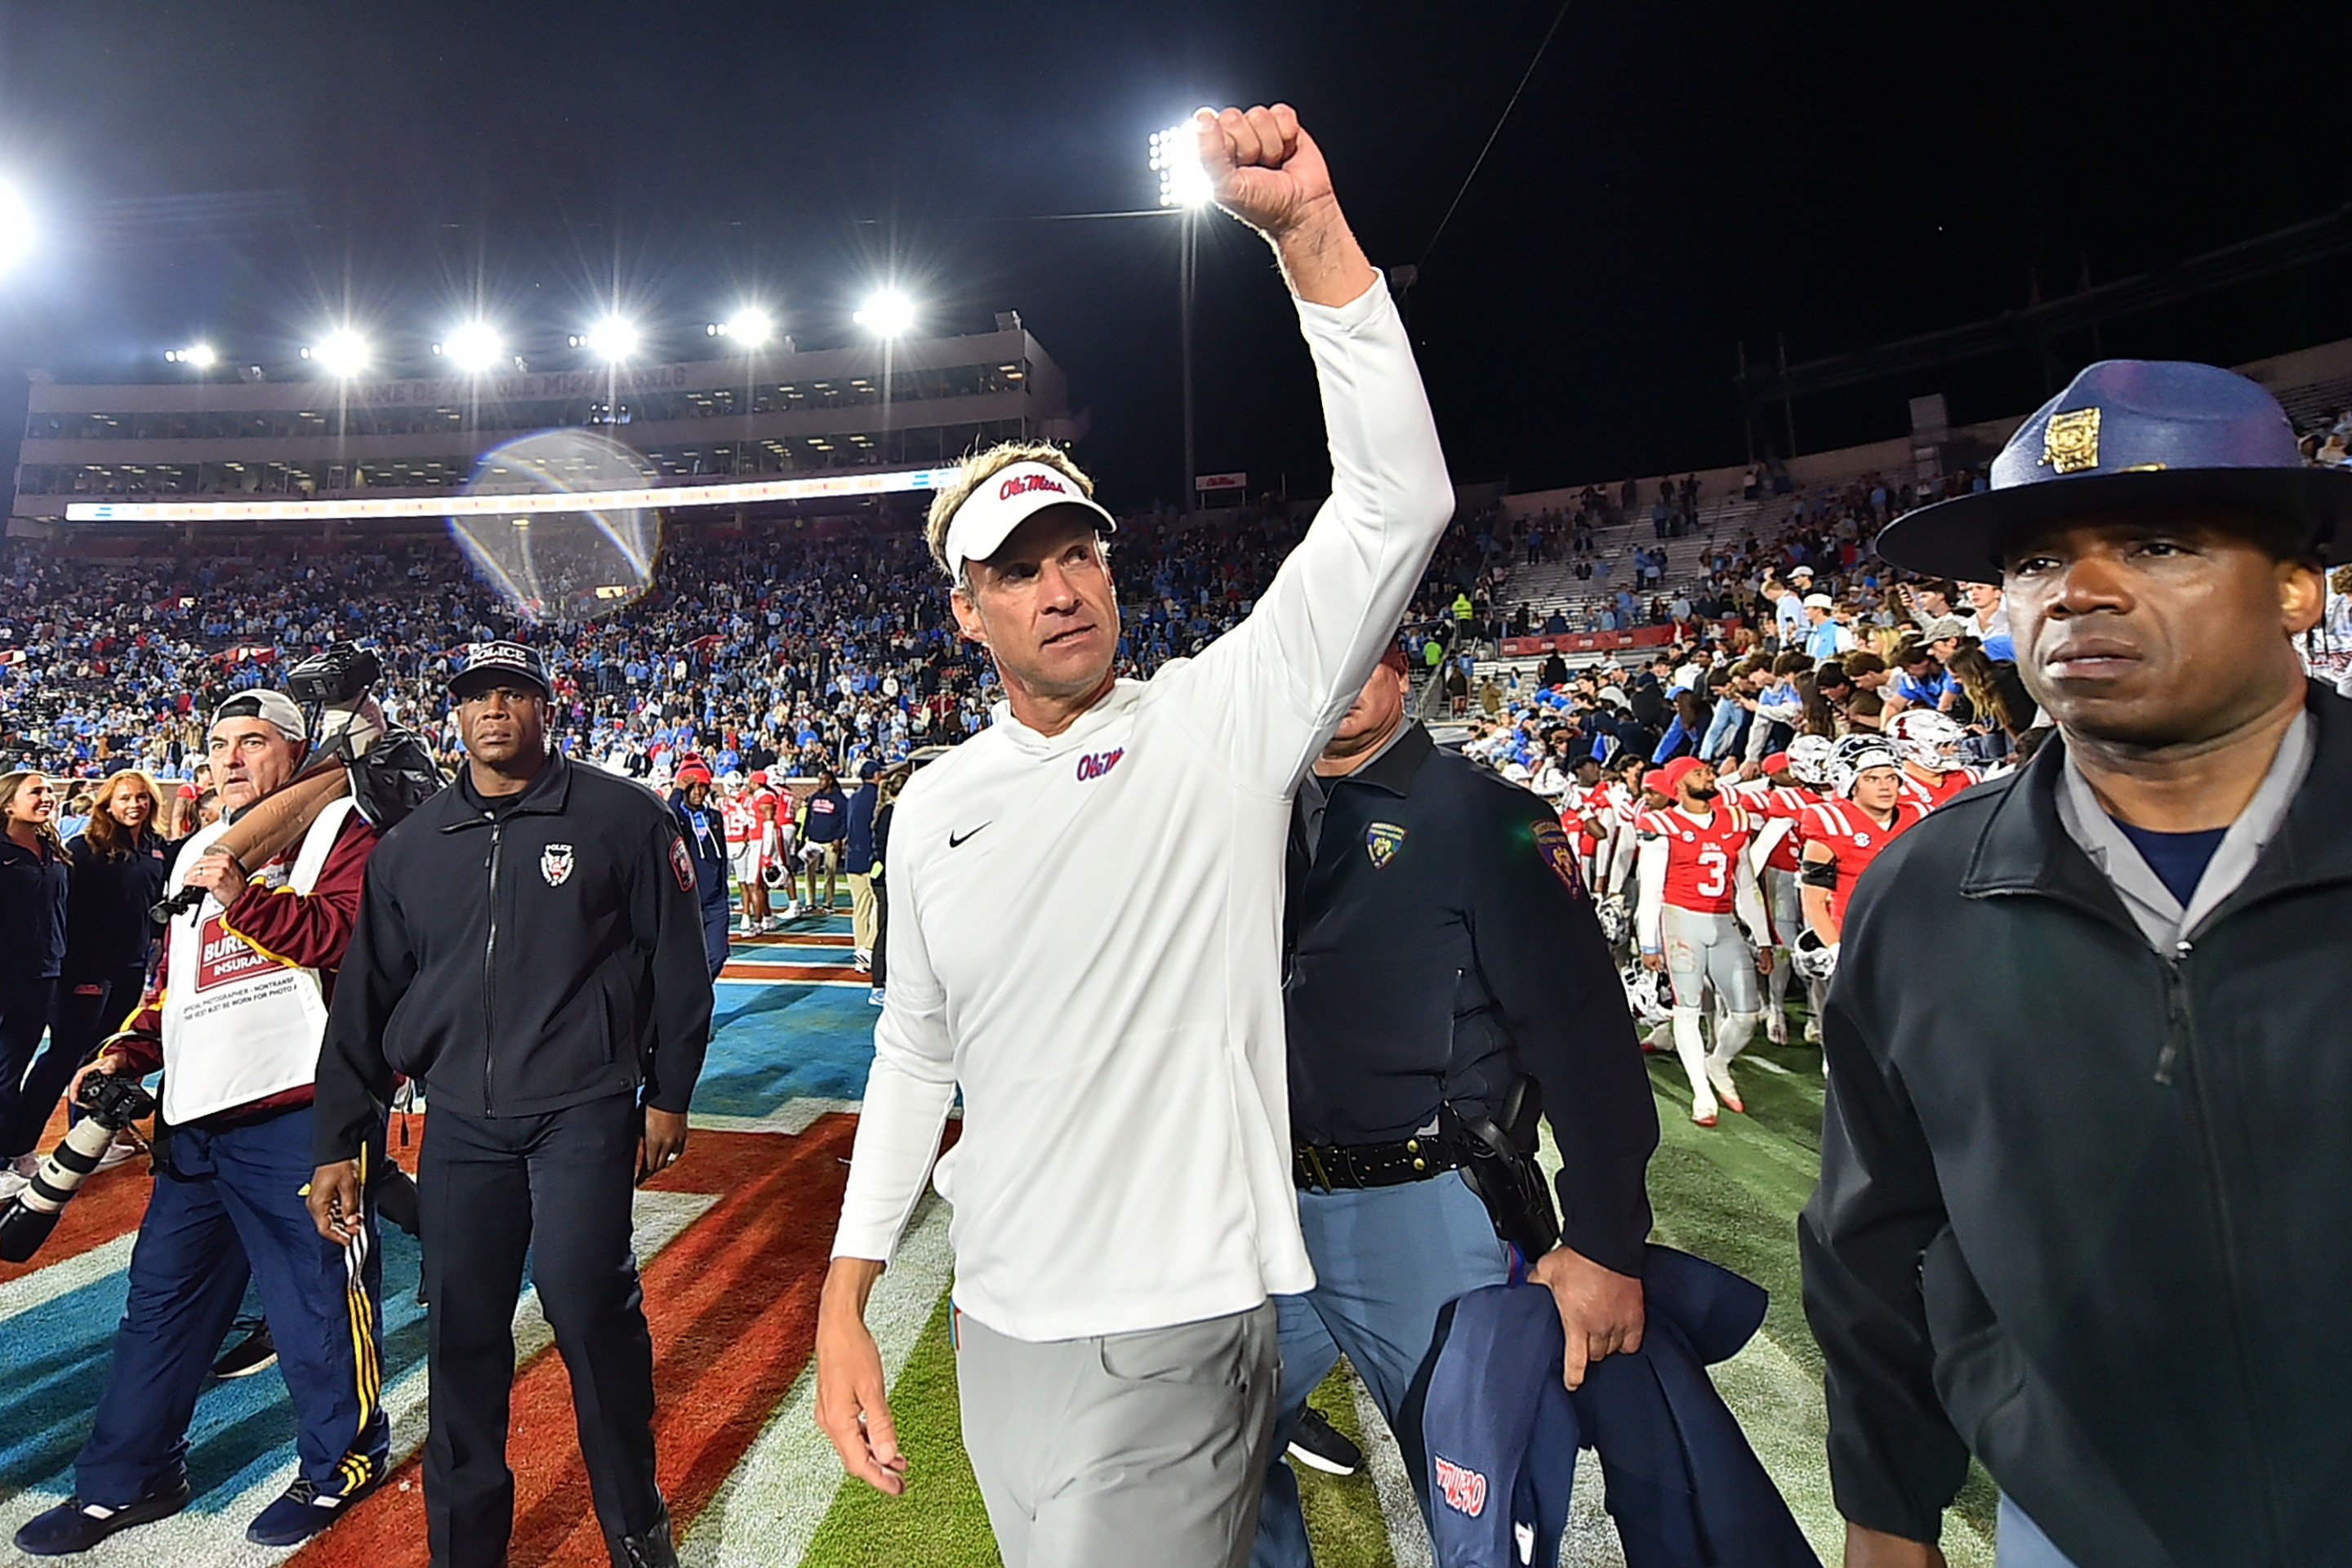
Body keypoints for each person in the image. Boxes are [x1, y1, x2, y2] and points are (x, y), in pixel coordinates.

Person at [815, 102, 1454, 1568]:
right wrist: (849, 1290)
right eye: (1017, 570)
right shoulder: (935, 806)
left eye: (1079, 551)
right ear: (966, 612)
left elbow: (1394, 505)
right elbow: (917, 1053)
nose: (1062, 588)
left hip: (1182, 1319)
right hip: (1001, 1320)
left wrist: (1308, 238)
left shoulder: (1214, 723)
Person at [1802, 359, 2352, 1567]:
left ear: (2300, 587)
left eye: (2157, 544)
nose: (2079, 592)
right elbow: (1875, 1237)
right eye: (2037, 562)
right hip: (2082, 1527)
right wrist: (1887, 1516)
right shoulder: (1923, 893)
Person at [309, 640, 714, 1568]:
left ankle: (636, 1528)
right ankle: (466, 1550)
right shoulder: (410, 849)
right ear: (454, 714)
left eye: (513, 693)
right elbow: (365, 1001)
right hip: (460, 1120)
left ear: (546, 708)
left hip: (583, 1109)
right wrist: (339, 1136)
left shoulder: (623, 817)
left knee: (588, 1309)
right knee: (462, 1334)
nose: (494, 710)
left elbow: (678, 967)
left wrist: (670, 1093)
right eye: (476, 696)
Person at [1255, 646, 1655, 1566]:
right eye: (1326, 648)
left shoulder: (1486, 817)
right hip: (1269, 1209)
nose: (1343, 676)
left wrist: (1605, 1239)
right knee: (1211, 1461)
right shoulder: (1258, 819)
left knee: (1476, 1502)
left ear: (1402, 670)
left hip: (1429, 1209)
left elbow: (1584, 1033)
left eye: (1368, 654)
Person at [12, 689, 388, 1554]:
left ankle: (343, 1464)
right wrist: (125, 1052)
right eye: (217, 743)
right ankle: (129, 1477)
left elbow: (353, 941)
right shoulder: (196, 857)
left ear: (297, 754)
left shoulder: (346, 836)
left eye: (252, 741)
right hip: (197, 1120)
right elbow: (175, 987)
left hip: (302, 1113)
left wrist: (242, 895)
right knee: (161, 1308)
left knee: (317, 1303)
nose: (228, 757)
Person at [6, 770, 168, 1179]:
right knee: (58, 1058)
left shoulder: (153, 849)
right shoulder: (82, 848)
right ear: (107, 805)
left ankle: (85, 1132)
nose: (135, 805)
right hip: (80, 969)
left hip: (121, 968)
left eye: (142, 798)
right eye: (125, 798)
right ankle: (18, 1146)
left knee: (102, 1055)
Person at [1633, 755, 1773, 1125]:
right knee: (1688, 1009)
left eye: (1709, 771)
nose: (1708, 775)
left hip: (1724, 920)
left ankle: (1718, 1062)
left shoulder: (1734, 820)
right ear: (1678, 785)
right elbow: (1651, 889)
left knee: (1745, 1015)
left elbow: (1746, 884)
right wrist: (1649, 942)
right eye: (1698, 772)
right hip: (1681, 920)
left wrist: (1763, 938)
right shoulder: (1662, 824)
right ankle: (1701, 1093)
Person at [0, 770, 70, 1199]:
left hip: (45, 972)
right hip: (6, 972)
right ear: (9, 804)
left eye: (49, 790)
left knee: (13, 1068)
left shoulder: (53, 848)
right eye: (36, 791)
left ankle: (13, 1149)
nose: (47, 796)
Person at [668, 759, 733, 978]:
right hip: (687, 901)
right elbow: (666, 818)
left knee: (718, 954)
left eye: (702, 786)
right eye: (691, 787)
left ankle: (697, 999)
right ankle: (692, 1006)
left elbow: (721, 857)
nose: (697, 792)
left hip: (715, 900)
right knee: (683, 958)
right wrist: (677, 791)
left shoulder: (714, 817)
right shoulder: (678, 819)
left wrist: (723, 893)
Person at [841, 760, 880, 971]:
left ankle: (860, 953)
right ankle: (869, 947)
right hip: (870, 858)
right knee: (879, 904)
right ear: (876, 775)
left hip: (852, 858)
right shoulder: (876, 797)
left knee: (860, 908)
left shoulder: (854, 797)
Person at [799, 765, 846, 915]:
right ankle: (810, 901)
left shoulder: (840, 799)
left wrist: (839, 837)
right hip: (813, 840)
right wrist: (804, 836)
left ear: (830, 781)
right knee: (809, 872)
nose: (820, 782)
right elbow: (808, 818)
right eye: (819, 779)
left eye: (823, 780)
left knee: (829, 872)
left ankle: (828, 903)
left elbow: (845, 820)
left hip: (830, 841)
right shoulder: (814, 797)